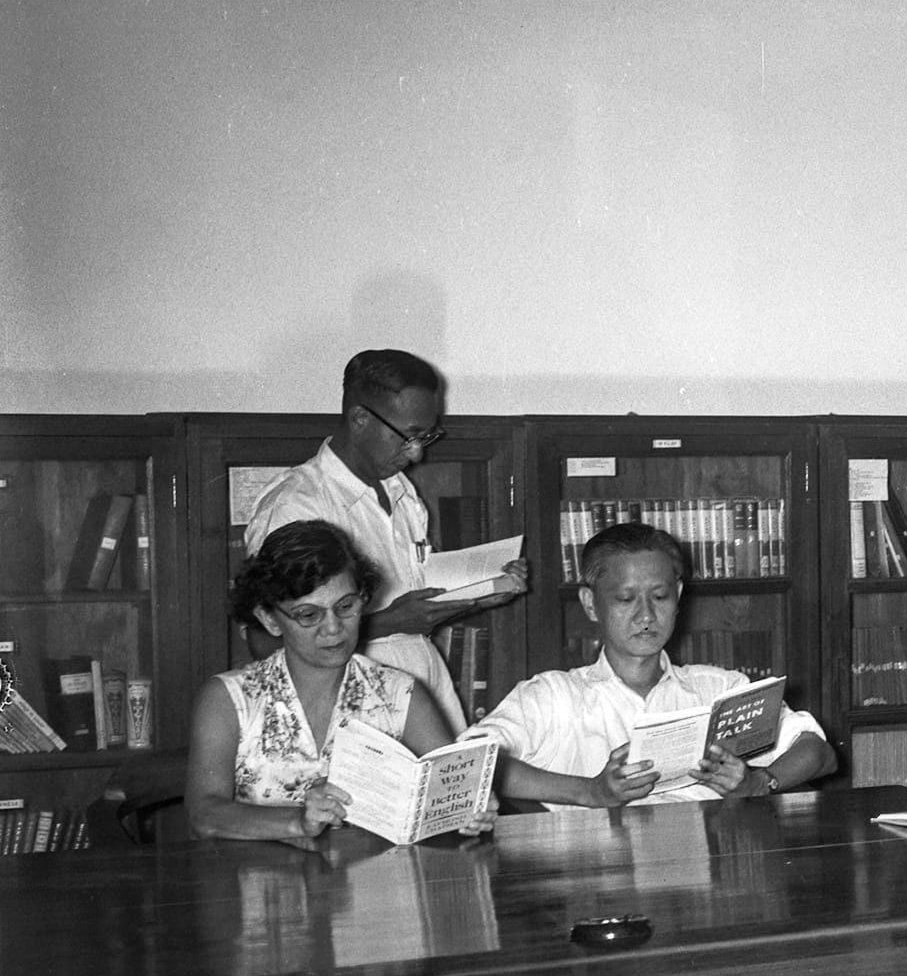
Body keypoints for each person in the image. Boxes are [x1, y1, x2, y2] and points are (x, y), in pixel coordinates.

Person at [243, 349, 528, 727]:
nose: (416, 453)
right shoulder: (298, 505)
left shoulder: (400, 491)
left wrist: (478, 593)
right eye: (407, 437)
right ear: (360, 418)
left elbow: (416, 603)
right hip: (350, 711)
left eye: (426, 436)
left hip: (424, 696)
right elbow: (265, 641)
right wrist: (392, 621)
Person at [477, 521, 834, 807]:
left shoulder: (719, 690)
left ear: (677, 596)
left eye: (660, 597)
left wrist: (760, 782)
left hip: (707, 874)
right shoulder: (553, 697)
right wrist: (589, 792)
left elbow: (819, 753)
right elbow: (472, 764)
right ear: (590, 604)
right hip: (598, 882)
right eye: (625, 599)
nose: (646, 615)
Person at [185, 518, 470, 849]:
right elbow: (203, 814)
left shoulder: (400, 694)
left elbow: (454, 793)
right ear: (269, 619)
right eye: (309, 615)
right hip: (262, 889)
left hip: (374, 888)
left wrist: (469, 810)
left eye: (346, 606)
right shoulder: (229, 699)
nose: (334, 628)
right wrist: (297, 823)